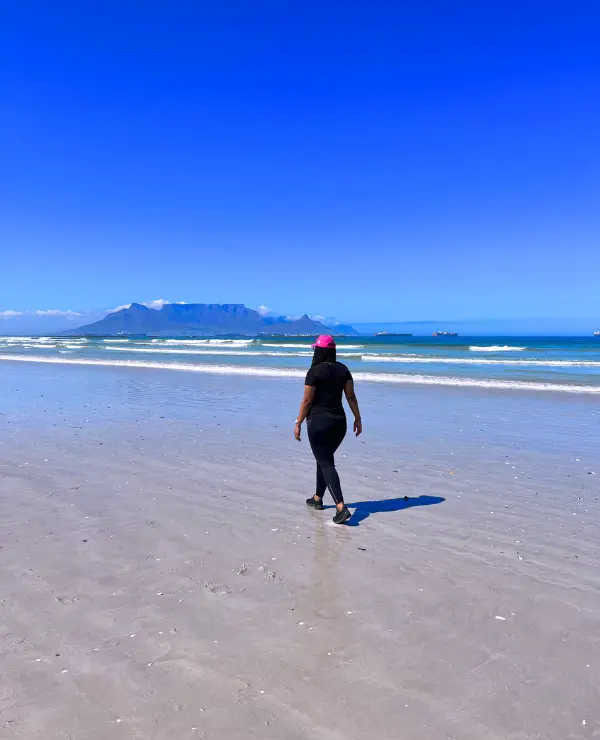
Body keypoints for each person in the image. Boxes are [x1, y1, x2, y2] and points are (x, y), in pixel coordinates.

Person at [294, 335, 362, 524]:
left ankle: (341, 507)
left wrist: (298, 422)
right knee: (323, 458)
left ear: (318, 350)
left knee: (325, 462)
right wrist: (358, 418)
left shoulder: (314, 372)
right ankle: (317, 498)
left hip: (318, 423)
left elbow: (307, 401)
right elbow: (351, 397)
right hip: (339, 423)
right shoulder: (343, 370)